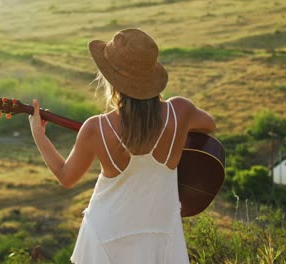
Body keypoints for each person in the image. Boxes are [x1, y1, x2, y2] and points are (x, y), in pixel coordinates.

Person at [29, 28, 216, 264]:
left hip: (106, 237)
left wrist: (39, 135)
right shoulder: (181, 110)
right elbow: (208, 125)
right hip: (161, 235)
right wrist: (178, 137)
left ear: (111, 80)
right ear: (152, 76)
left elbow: (67, 177)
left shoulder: (96, 128)